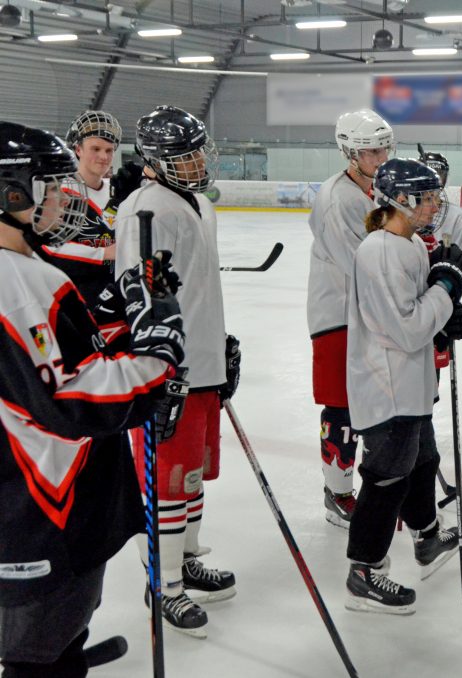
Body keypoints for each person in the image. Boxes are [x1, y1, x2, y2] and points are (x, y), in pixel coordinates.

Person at [0, 122, 184, 677]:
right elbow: (68, 398)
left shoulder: (27, 270)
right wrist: (154, 357)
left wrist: (132, 320)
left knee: (53, 640)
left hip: (35, 505)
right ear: (10, 194)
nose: (60, 197)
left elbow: (54, 366)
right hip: (42, 509)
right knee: (40, 651)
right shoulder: (15, 282)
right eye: (47, 186)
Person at [115, 105, 238, 638]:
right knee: (167, 479)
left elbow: (195, 285)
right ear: (154, 160)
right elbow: (150, 291)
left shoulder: (195, 205)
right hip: (174, 371)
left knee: (191, 475)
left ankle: (185, 558)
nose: (194, 162)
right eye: (182, 155)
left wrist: (218, 345)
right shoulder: (147, 209)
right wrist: (159, 367)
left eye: (196, 151)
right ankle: (162, 583)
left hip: (202, 364)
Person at [344, 158, 462, 615]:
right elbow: (405, 327)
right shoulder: (378, 251)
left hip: (411, 382)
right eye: (429, 197)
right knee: (387, 476)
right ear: (401, 200)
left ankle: (426, 538)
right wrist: (445, 290)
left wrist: (446, 320)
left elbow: (421, 316)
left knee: (421, 459)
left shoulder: (410, 243)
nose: (436, 204)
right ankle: (364, 571)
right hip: (386, 385)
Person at [308, 109, 394, 529]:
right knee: (341, 407)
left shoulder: (378, 191)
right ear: (351, 152)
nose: (381, 157)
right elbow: (360, 264)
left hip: (372, 316)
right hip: (339, 316)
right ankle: (337, 493)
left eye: (384, 148)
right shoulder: (335, 197)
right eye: (372, 150)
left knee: (376, 404)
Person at [35, 110, 121, 307]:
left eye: (109, 150)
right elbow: (46, 245)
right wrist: (104, 253)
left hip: (115, 298)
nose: (103, 157)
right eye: (96, 149)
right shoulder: (59, 194)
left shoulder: (116, 191)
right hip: (76, 300)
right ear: (78, 149)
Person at [416, 144, 462, 373]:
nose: (435, 180)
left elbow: (461, 268)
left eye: (440, 174)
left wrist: (448, 300)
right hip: (409, 302)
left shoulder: (457, 218)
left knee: (430, 379)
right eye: (430, 172)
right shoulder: (404, 210)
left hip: (439, 302)